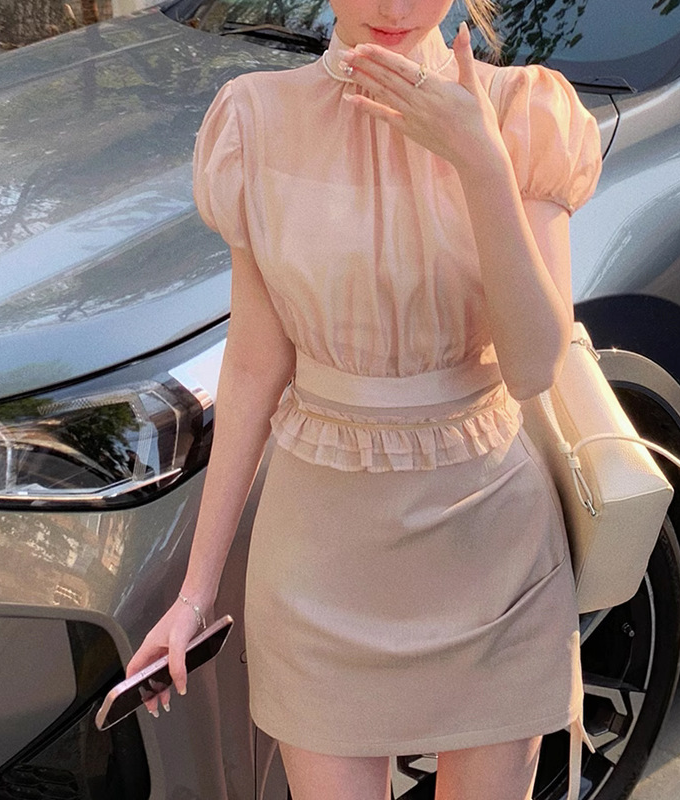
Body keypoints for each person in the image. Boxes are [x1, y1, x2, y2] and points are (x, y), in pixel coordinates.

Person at [127, 1, 602, 798]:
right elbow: (253, 368)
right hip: (318, 565)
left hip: (491, 551)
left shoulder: (523, 111)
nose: (391, 8)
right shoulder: (256, 119)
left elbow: (533, 367)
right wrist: (194, 596)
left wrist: (481, 162)